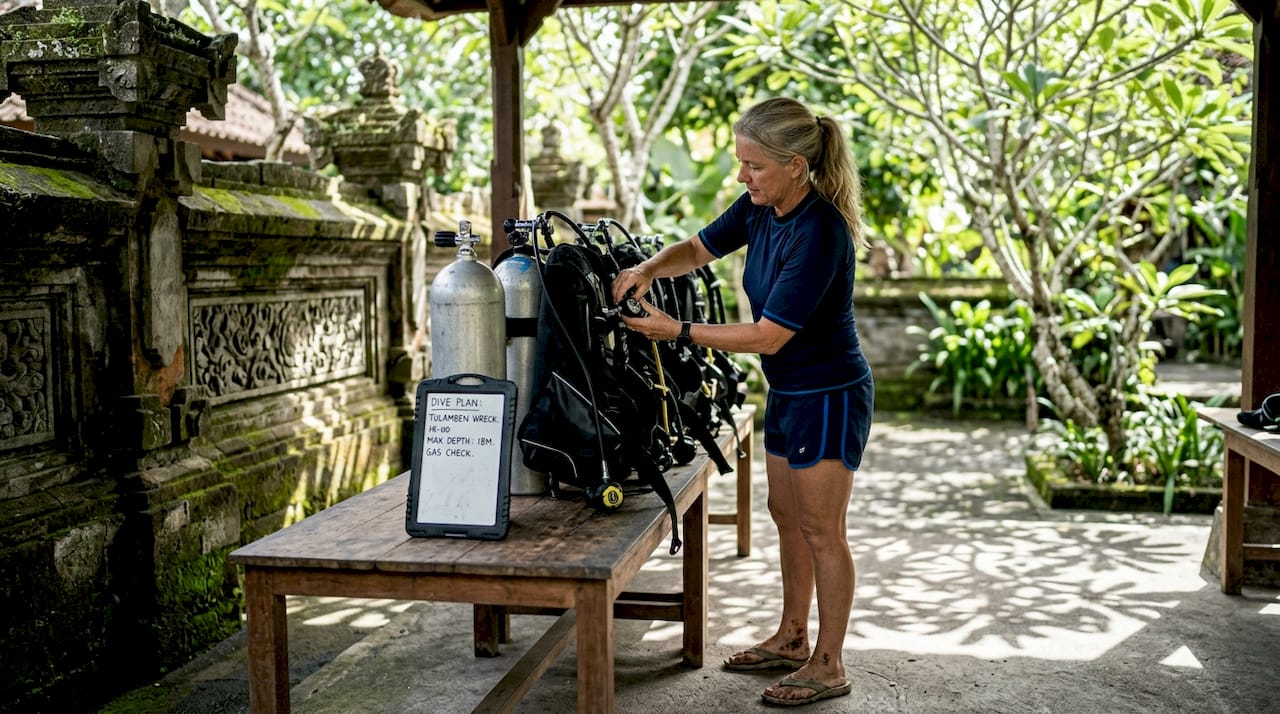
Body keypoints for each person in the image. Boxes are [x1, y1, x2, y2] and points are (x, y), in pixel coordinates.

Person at [611, 96, 874, 707]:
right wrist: (651, 267)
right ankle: (790, 636)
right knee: (788, 518)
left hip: (829, 395)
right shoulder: (762, 207)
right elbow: (700, 249)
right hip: (789, 389)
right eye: (740, 163)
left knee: (822, 529)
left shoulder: (820, 231)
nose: (741, 176)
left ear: (795, 167)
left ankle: (829, 663)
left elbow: (768, 335)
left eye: (752, 165)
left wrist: (673, 329)